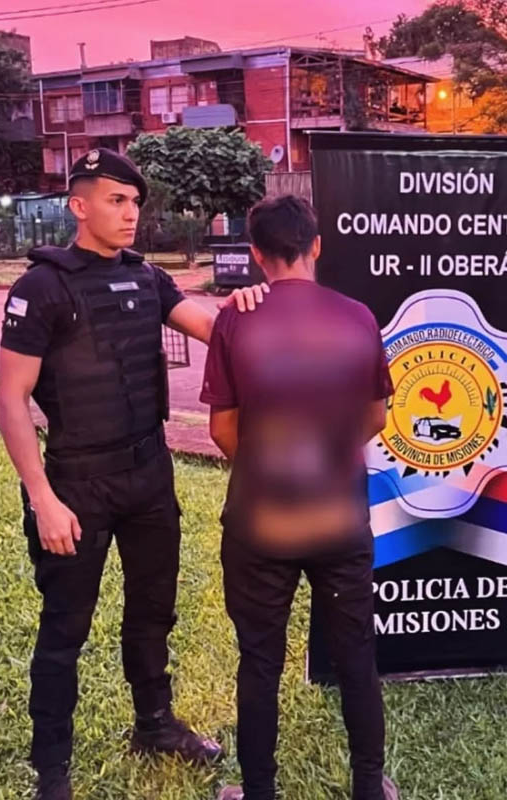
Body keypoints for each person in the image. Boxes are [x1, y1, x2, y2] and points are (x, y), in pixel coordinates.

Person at [0, 147, 267, 800]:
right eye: (115, 200)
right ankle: (51, 769)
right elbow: (10, 400)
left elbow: (215, 328)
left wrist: (253, 305)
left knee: (152, 612)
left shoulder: (147, 278)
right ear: (78, 206)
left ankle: (155, 725)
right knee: (65, 629)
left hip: (149, 477)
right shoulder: (41, 288)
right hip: (76, 486)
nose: (130, 213)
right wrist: (43, 499)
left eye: (135, 202)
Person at [200, 195, 399, 800]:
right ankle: (369, 787)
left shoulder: (235, 320)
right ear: (317, 245)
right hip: (339, 516)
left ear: (256, 254)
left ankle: (258, 791)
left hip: (261, 519)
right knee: (356, 654)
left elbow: (222, 430)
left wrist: (271, 465)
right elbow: (376, 416)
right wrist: (325, 456)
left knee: (260, 660)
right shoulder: (358, 317)